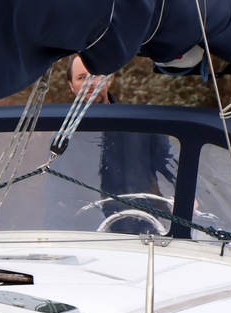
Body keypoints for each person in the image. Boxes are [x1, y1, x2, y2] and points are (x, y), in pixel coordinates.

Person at [65, 55, 177, 234]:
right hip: (87, 234)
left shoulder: (140, 127)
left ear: (109, 79)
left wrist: (190, 196)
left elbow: (172, 164)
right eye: (81, 77)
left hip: (145, 230)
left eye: (95, 75)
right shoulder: (62, 138)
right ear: (71, 86)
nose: (90, 83)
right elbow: (56, 192)